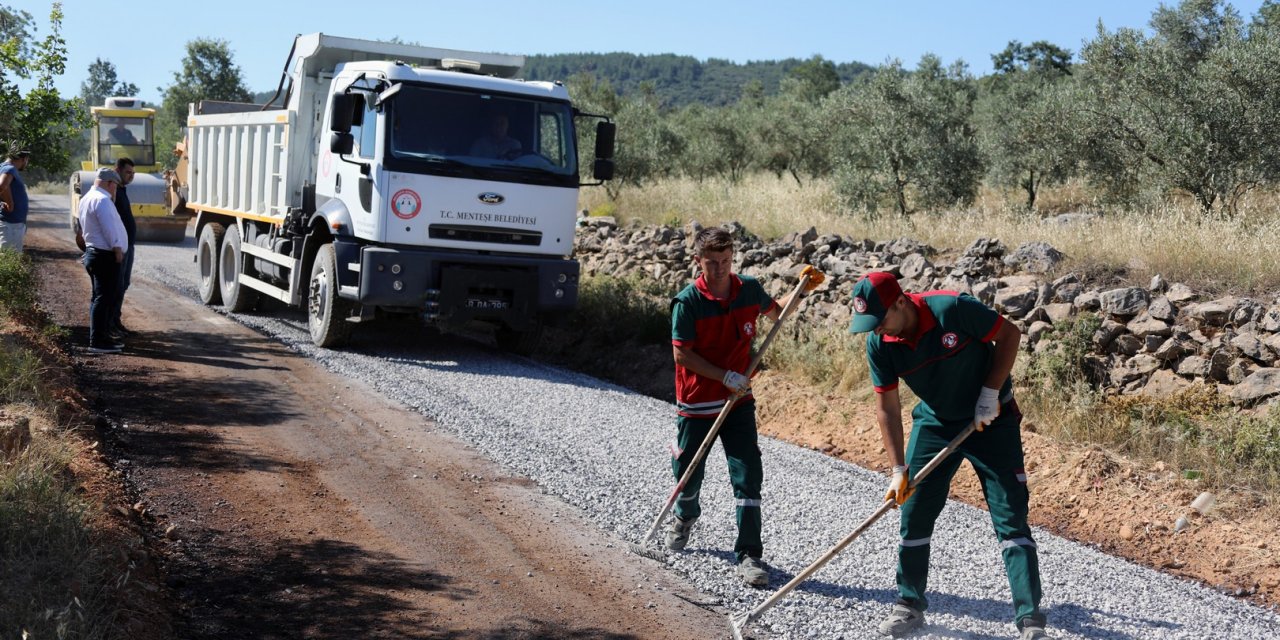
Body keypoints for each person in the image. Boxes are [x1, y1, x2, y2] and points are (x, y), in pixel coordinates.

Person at [847, 272, 1049, 640]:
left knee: (1010, 515)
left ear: (901, 303)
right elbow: (888, 410)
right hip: (937, 423)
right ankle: (909, 605)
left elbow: (1009, 334)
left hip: (991, 420)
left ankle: (1031, 620)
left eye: (880, 321)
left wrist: (990, 393)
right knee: (914, 510)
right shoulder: (881, 345)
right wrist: (897, 469)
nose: (876, 331)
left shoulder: (952, 308)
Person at [666, 226, 823, 587]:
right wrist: (724, 376)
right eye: (711, 263)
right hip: (697, 402)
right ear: (698, 261)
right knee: (688, 470)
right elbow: (681, 353)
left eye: (725, 261)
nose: (720, 270)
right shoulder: (687, 302)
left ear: (732, 258)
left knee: (748, 472)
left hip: (738, 401)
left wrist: (803, 289)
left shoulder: (748, 290)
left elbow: (777, 312)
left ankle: (750, 554)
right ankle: (685, 514)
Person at [78, 168, 129, 354]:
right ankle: (98, 341)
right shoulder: (102, 200)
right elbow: (110, 228)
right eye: (115, 185)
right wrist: (117, 248)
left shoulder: (87, 198)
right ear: (109, 183)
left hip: (95, 253)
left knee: (100, 296)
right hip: (104, 255)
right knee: (104, 297)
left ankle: (102, 336)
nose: (115, 189)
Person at [111, 158, 138, 337]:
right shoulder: (113, 192)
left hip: (128, 245)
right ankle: (111, 323)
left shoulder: (122, 190)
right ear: (118, 170)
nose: (131, 176)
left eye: (133, 173)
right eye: (128, 172)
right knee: (116, 285)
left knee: (124, 284)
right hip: (120, 247)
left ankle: (116, 321)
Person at [0, 144, 31, 252]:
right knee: (8, 257)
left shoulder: (3, 167)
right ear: (24, 159)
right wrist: (10, 203)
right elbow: (2, 185)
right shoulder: (10, 168)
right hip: (10, 225)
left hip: (11, 224)